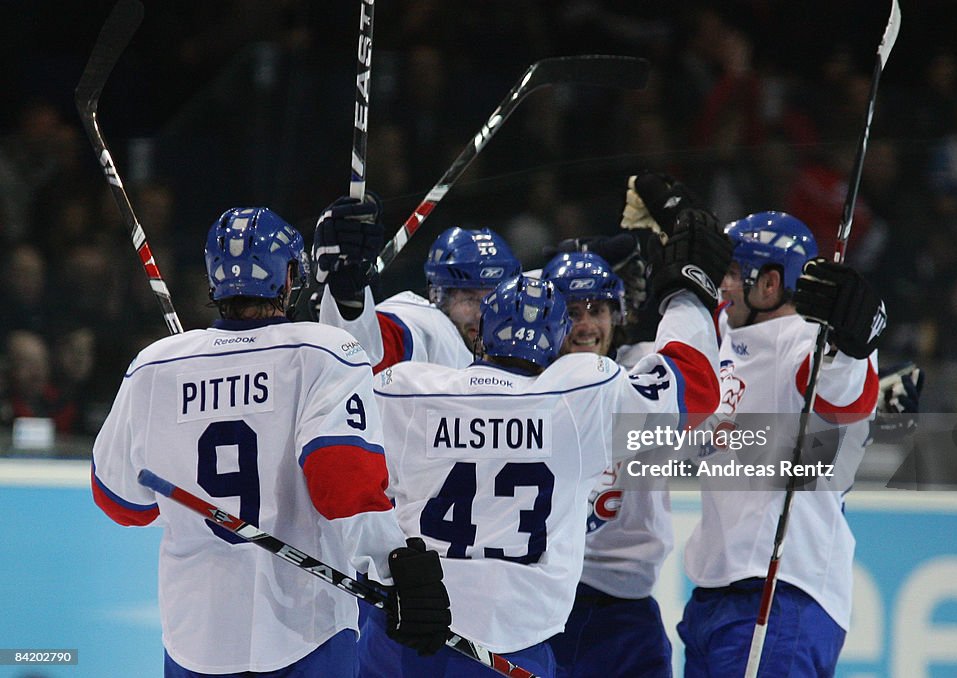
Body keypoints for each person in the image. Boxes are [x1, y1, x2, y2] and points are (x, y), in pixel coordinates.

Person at [354, 203, 731, 677]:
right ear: (557, 339)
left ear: (482, 333)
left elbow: (344, 401)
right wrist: (688, 294)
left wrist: (339, 298)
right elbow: (694, 386)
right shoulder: (581, 394)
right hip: (512, 642)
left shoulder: (409, 386)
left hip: (404, 628)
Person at [91, 207, 451, 677]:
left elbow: (121, 502)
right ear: (288, 278)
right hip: (306, 629)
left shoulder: (155, 367)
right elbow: (342, 484)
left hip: (194, 637)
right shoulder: (325, 351)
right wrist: (395, 565)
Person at [631, 174, 883, 677]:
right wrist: (685, 222)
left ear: (769, 284)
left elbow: (844, 394)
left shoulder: (803, 338)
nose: (721, 285)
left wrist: (855, 343)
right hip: (716, 596)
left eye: (731, 272)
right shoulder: (727, 332)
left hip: (782, 592)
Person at [539, 251, 678, 678]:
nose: (584, 325)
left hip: (626, 611)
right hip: (545, 605)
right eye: (570, 311)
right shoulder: (525, 388)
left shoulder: (644, 371)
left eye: (596, 310)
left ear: (617, 316)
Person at [309, 196, 521, 371]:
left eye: (494, 301)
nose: (481, 315)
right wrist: (348, 296)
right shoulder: (429, 328)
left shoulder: (525, 332)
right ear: (438, 296)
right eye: (470, 299)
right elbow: (368, 352)